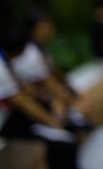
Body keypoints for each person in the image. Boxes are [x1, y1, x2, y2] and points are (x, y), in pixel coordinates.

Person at [0, 27, 81, 169]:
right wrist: (51, 121)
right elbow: (22, 101)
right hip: (8, 121)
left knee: (65, 132)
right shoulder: (3, 66)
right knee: (64, 140)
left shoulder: (7, 61)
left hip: (14, 116)